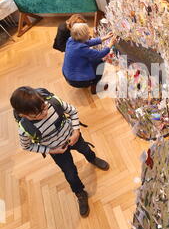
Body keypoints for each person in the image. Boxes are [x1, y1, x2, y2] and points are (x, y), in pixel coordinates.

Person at [10, 86, 110, 217]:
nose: (45, 113)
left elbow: (73, 111)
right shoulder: (25, 129)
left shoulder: (53, 102)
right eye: (38, 114)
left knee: (86, 150)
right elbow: (27, 146)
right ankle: (80, 192)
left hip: (73, 137)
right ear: (24, 115)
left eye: (44, 107)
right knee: (70, 175)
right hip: (57, 151)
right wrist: (50, 150)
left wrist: (76, 131)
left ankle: (92, 159)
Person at [62, 22, 116, 94]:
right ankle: (95, 87)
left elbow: (88, 42)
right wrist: (110, 44)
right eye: (87, 32)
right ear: (82, 35)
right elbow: (100, 54)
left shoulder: (71, 40)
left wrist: (105, 37)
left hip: (67, 74)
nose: (89, 33)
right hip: (76, 81)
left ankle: (88, 81)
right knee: (100, 63)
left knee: (95, 61)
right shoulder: (81, 48)